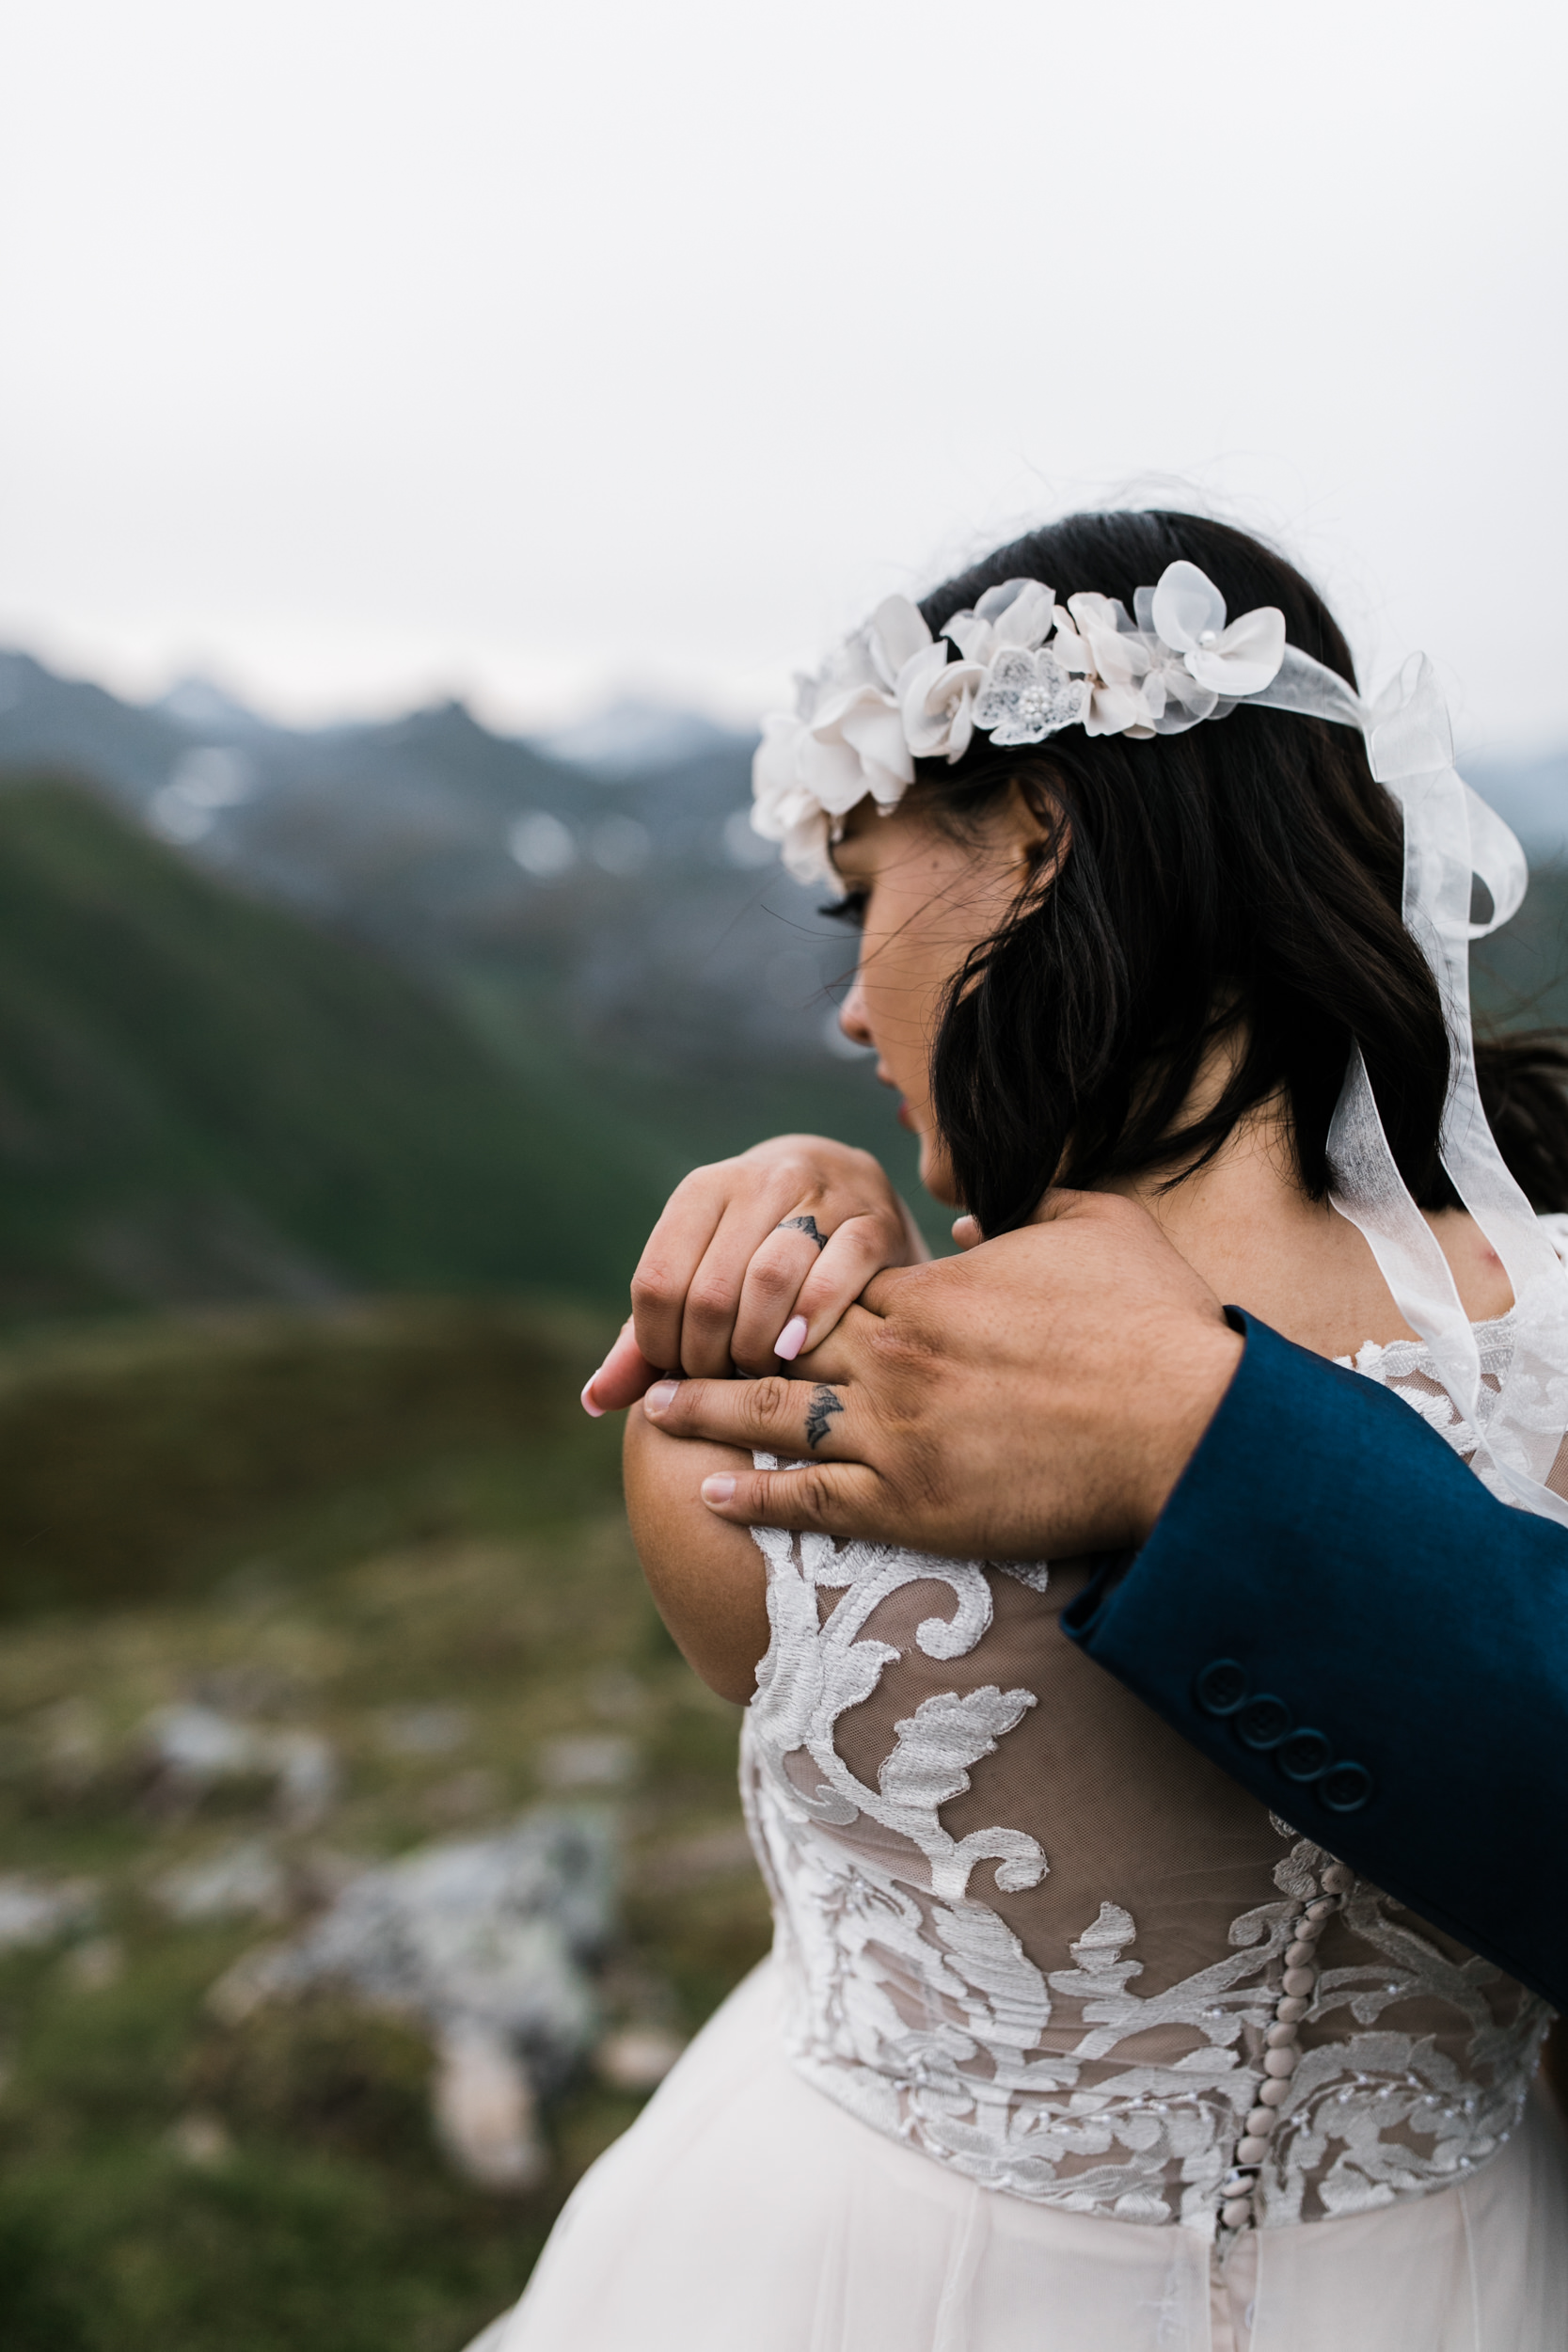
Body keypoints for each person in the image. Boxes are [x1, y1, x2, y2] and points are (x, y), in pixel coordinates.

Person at [473, 512, 1568, 2350]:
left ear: (1040, 838)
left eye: (863, 897)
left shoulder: (766, 1410)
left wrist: (825, 1287)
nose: (845, 1001)